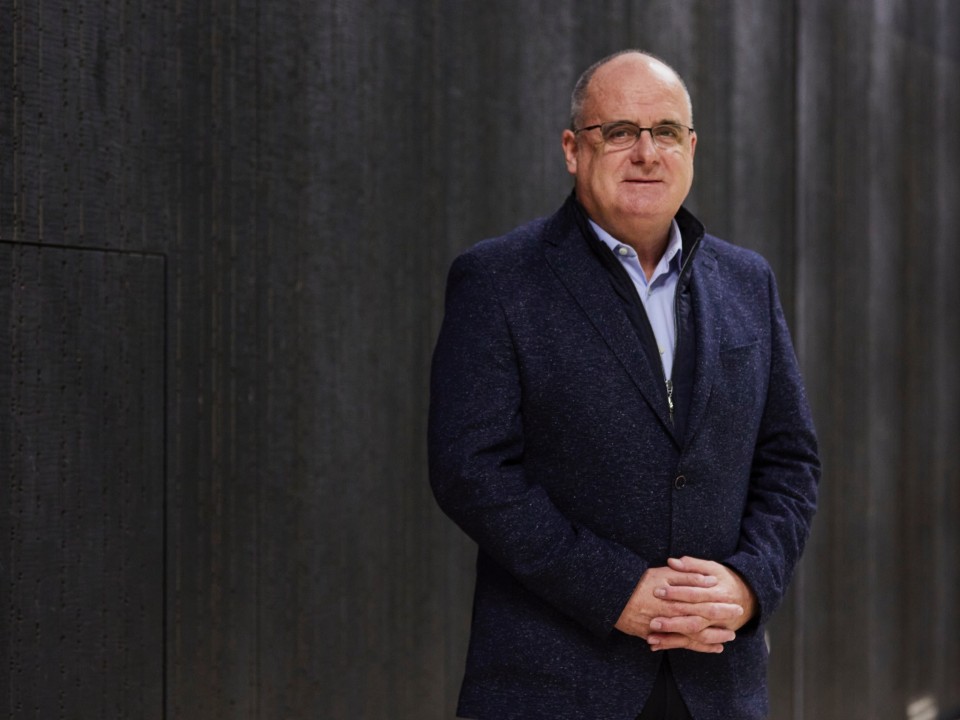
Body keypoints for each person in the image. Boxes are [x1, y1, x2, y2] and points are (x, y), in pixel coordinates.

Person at [428, 49, 820, 720]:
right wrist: (614, 589)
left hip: (717, 683)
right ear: (572, 149)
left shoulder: (747, 281)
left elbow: (790, 460)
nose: (646, 152)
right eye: (619, 132)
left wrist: (749, 583)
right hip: (554, 683)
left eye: (665, 131)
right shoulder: (497, 280)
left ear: (691, 149)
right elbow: (471, 470)